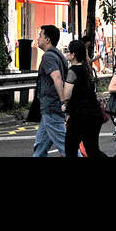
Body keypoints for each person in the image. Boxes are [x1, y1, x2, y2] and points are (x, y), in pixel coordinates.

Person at [62, 39, 105, 157]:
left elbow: (66, 96)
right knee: (93, 150)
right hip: (94, 114)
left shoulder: (73, 71)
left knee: (70, 148)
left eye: (68, 51)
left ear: (73, 54)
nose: (66, 54)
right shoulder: (88, 69)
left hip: (79, 115)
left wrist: (65, 105)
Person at [32, 25, 68, 157]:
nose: (38, 38)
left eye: (40, 35)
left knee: (65, 146)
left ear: (47, 39)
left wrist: (63, 100)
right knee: (40, 147)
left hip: (52, 107)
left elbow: (57, 77)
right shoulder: (59, 55)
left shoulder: (48, 57)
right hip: (49, 108)